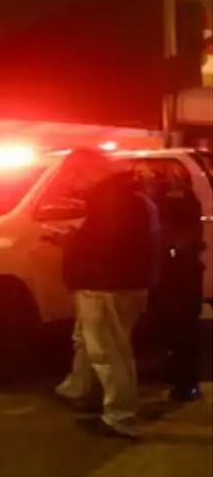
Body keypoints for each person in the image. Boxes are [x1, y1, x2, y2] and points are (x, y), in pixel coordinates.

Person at [53, 149, 161, 439]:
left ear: (86, 171)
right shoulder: (130, 196)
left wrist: (71, 241)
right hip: (124, 285)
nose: (73, 185)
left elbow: (106, 247)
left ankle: (120, 417)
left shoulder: (111, 199)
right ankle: (81, 390)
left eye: (74, 177)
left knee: (109, 354)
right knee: (96, 346)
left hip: (107, 286)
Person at [148, 167, 206, 402]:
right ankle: (181, 380)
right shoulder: (178, 201)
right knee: (178, 330)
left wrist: (170, 253)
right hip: (179, 275)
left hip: (179, 276)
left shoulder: (180, 203)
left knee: (182, 330)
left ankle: (184, 383)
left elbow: (181, 239)